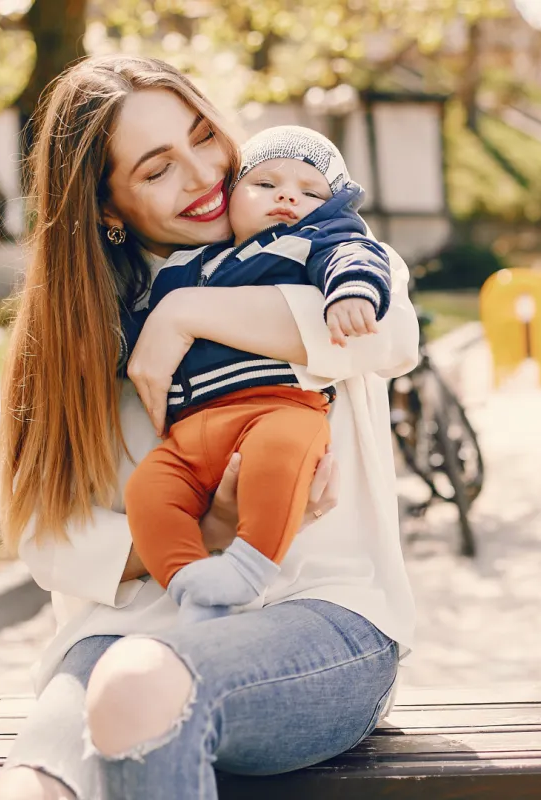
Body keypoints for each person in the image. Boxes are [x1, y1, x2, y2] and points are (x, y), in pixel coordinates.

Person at [0, 54, 418, 800]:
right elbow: (46, 536)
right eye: (157, 169)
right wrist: (203, 532)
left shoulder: (319, 248)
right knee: (33, 786)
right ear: (108, 209)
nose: (203, 174)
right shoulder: (83, 331)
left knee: (137, 685)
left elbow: (385, 334)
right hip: (121, 635)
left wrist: (184, 315)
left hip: (318, 624)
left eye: (202, 136)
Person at [122, 125, 392, 623]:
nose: (288, 195)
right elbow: (134, 330)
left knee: (280, 456)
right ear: (230, 198)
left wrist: (352, 290)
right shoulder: (185, 265)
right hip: (190, 432)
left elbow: (355, 255)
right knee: (148, 490)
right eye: (264, 184)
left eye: (312, 192)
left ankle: (247, 570)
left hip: (278, 408)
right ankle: (190, 583)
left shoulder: (313, 241)